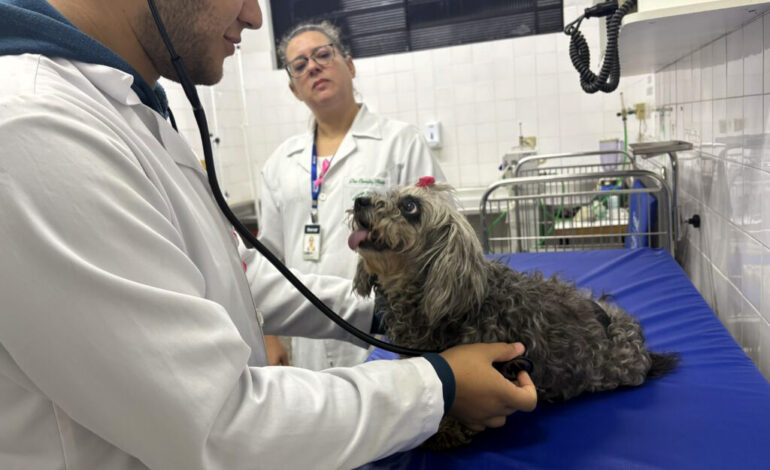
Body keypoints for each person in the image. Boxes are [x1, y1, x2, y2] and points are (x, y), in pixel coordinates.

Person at [0, 1, 537, 469]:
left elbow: (234, 273)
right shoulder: (33, 125)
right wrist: (438, 386)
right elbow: (219, 425)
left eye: (322, 55)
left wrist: (384, 312)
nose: (256, 15)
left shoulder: (128, 108)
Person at [259, 21, 447, 371]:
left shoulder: (401, 143)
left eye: (322, 54)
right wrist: (269, 337)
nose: (313, 66)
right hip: (308, 337)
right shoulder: (279, 164)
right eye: (299, 65)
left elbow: (439, 239)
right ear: (294, 89)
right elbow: (268, 256)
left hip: (389, 325)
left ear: (349, 64)